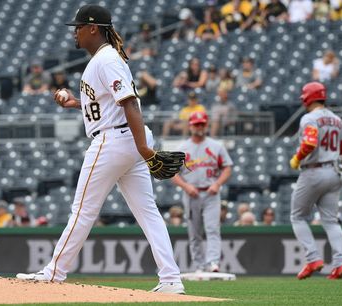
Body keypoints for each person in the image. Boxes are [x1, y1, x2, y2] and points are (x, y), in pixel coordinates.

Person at [16, 5, 185, 294]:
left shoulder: (105, 59)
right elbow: (110, 103)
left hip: (115, 142)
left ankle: (54, 272)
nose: (75, 33)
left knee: (82, 210)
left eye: (78, 27)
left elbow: (130, 102)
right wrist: (74, 103)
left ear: (93, 28)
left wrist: (143, 148)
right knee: (148, 212)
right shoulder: (104, 59)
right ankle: (171, 279)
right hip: (126, 140)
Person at [288, 82, 342, 280]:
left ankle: (313, 258)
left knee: (297, 216)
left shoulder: (309, 117)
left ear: (308, 97)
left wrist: (297, 158)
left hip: (314, 171)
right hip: (334, 170)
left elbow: (309, 143)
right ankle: (341, 263)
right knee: (331, 221)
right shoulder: (337, 120)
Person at [171, 111, 233, 273]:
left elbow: (227, 167)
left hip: (211, 193)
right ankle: (199, 265)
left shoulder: (216, 146)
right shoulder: (182, 148)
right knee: (194, 232)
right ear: (190, 126)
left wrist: (218, 184)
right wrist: (186, 187)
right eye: (196, 124)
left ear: (206, 125)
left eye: (202, 124)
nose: (199, 127)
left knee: (212, 229)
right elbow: (172, 173)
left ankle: (213, 263)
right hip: (191, 194)